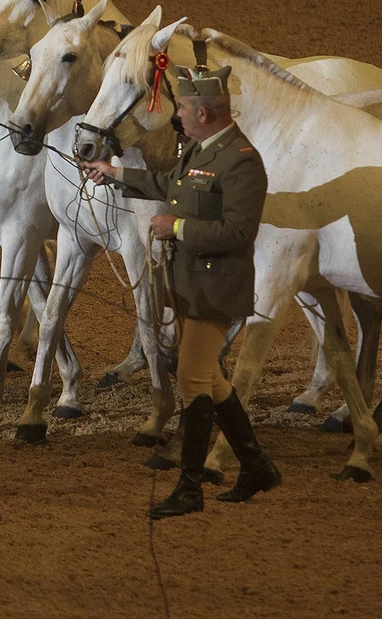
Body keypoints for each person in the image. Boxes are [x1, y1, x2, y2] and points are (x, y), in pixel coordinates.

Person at [81, 65, 281, 518]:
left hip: (216, 289)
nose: (179, 117)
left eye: (185, 109)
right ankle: (256, 465)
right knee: (210, 380)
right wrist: (113, 173)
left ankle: (190, 486)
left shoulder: (241, 160)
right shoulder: (200, 148)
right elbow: (168, 186)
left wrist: (178, 227)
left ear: (206, 112)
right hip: (189, 284)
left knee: (191, 379)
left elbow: (238, 231)